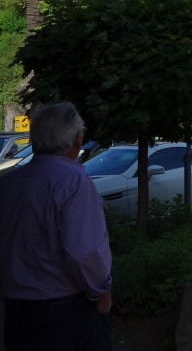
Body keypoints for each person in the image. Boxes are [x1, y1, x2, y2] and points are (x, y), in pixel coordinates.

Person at [0, 102, 112, 351]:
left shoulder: (10, 183)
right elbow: (84, 252)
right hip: (66, 313)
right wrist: (101, 292)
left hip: (18, 313)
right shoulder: (73, 180)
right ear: (77, 140)